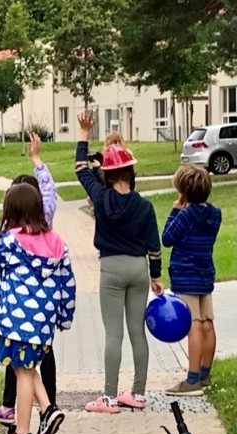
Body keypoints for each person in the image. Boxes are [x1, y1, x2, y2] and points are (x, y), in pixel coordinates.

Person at [75, 111, 165, 414]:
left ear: (110, 173)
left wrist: (84, 133)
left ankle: (110, 398)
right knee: (137, 332)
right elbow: (154, 246)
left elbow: (79, 169)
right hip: (138, 270)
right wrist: (155, 276)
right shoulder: (145, 205)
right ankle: (138, 394)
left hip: (111, 270)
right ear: (130, 172)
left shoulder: (100, 198)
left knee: (114, 334)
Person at [0, 182, 76, 434]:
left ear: (11, 212)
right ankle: (47, 409)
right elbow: (68, 283)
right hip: (43, 321)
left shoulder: (10, 241)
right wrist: (65, 316)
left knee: (23, 372)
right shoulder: (57, 242)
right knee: (26, 366)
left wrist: (2, 231)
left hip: (15, 319)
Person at [0, 133, 60, 426]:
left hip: (14, 309)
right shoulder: (47, 228)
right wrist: (37, 159)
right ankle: (47, 405)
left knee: (18, 362)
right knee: (40, 357)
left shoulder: (7, 236)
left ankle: (19, 415)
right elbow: (51, 192)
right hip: (44, 308)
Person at [162, 164, 222, 396]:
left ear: (183, 192)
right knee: (207, 322)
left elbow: (167, 238)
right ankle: (205, 373)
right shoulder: (215, 213)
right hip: (205, 273)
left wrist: (176, 210)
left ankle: (192, 378)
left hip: (185, 275)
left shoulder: (186, 215)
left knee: (193, 325)